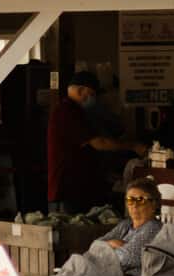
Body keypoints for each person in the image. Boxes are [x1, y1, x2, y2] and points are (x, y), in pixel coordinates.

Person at [45, 70, 123, 214]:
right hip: (71, 183)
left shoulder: (75, 110)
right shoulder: (67, 111)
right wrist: (132, 145)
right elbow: (99, 143)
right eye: (91, 94)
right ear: (81, 90)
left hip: (79, 181)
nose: (92, 99)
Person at [101, 179, 165, 274]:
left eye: (140, 200)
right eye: (130, 200)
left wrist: (106, 248)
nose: (134, 205)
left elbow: (126, 258)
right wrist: (113, 244)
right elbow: (94, 247)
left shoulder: (153, 227)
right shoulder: (125, 224)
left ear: (154, 204)